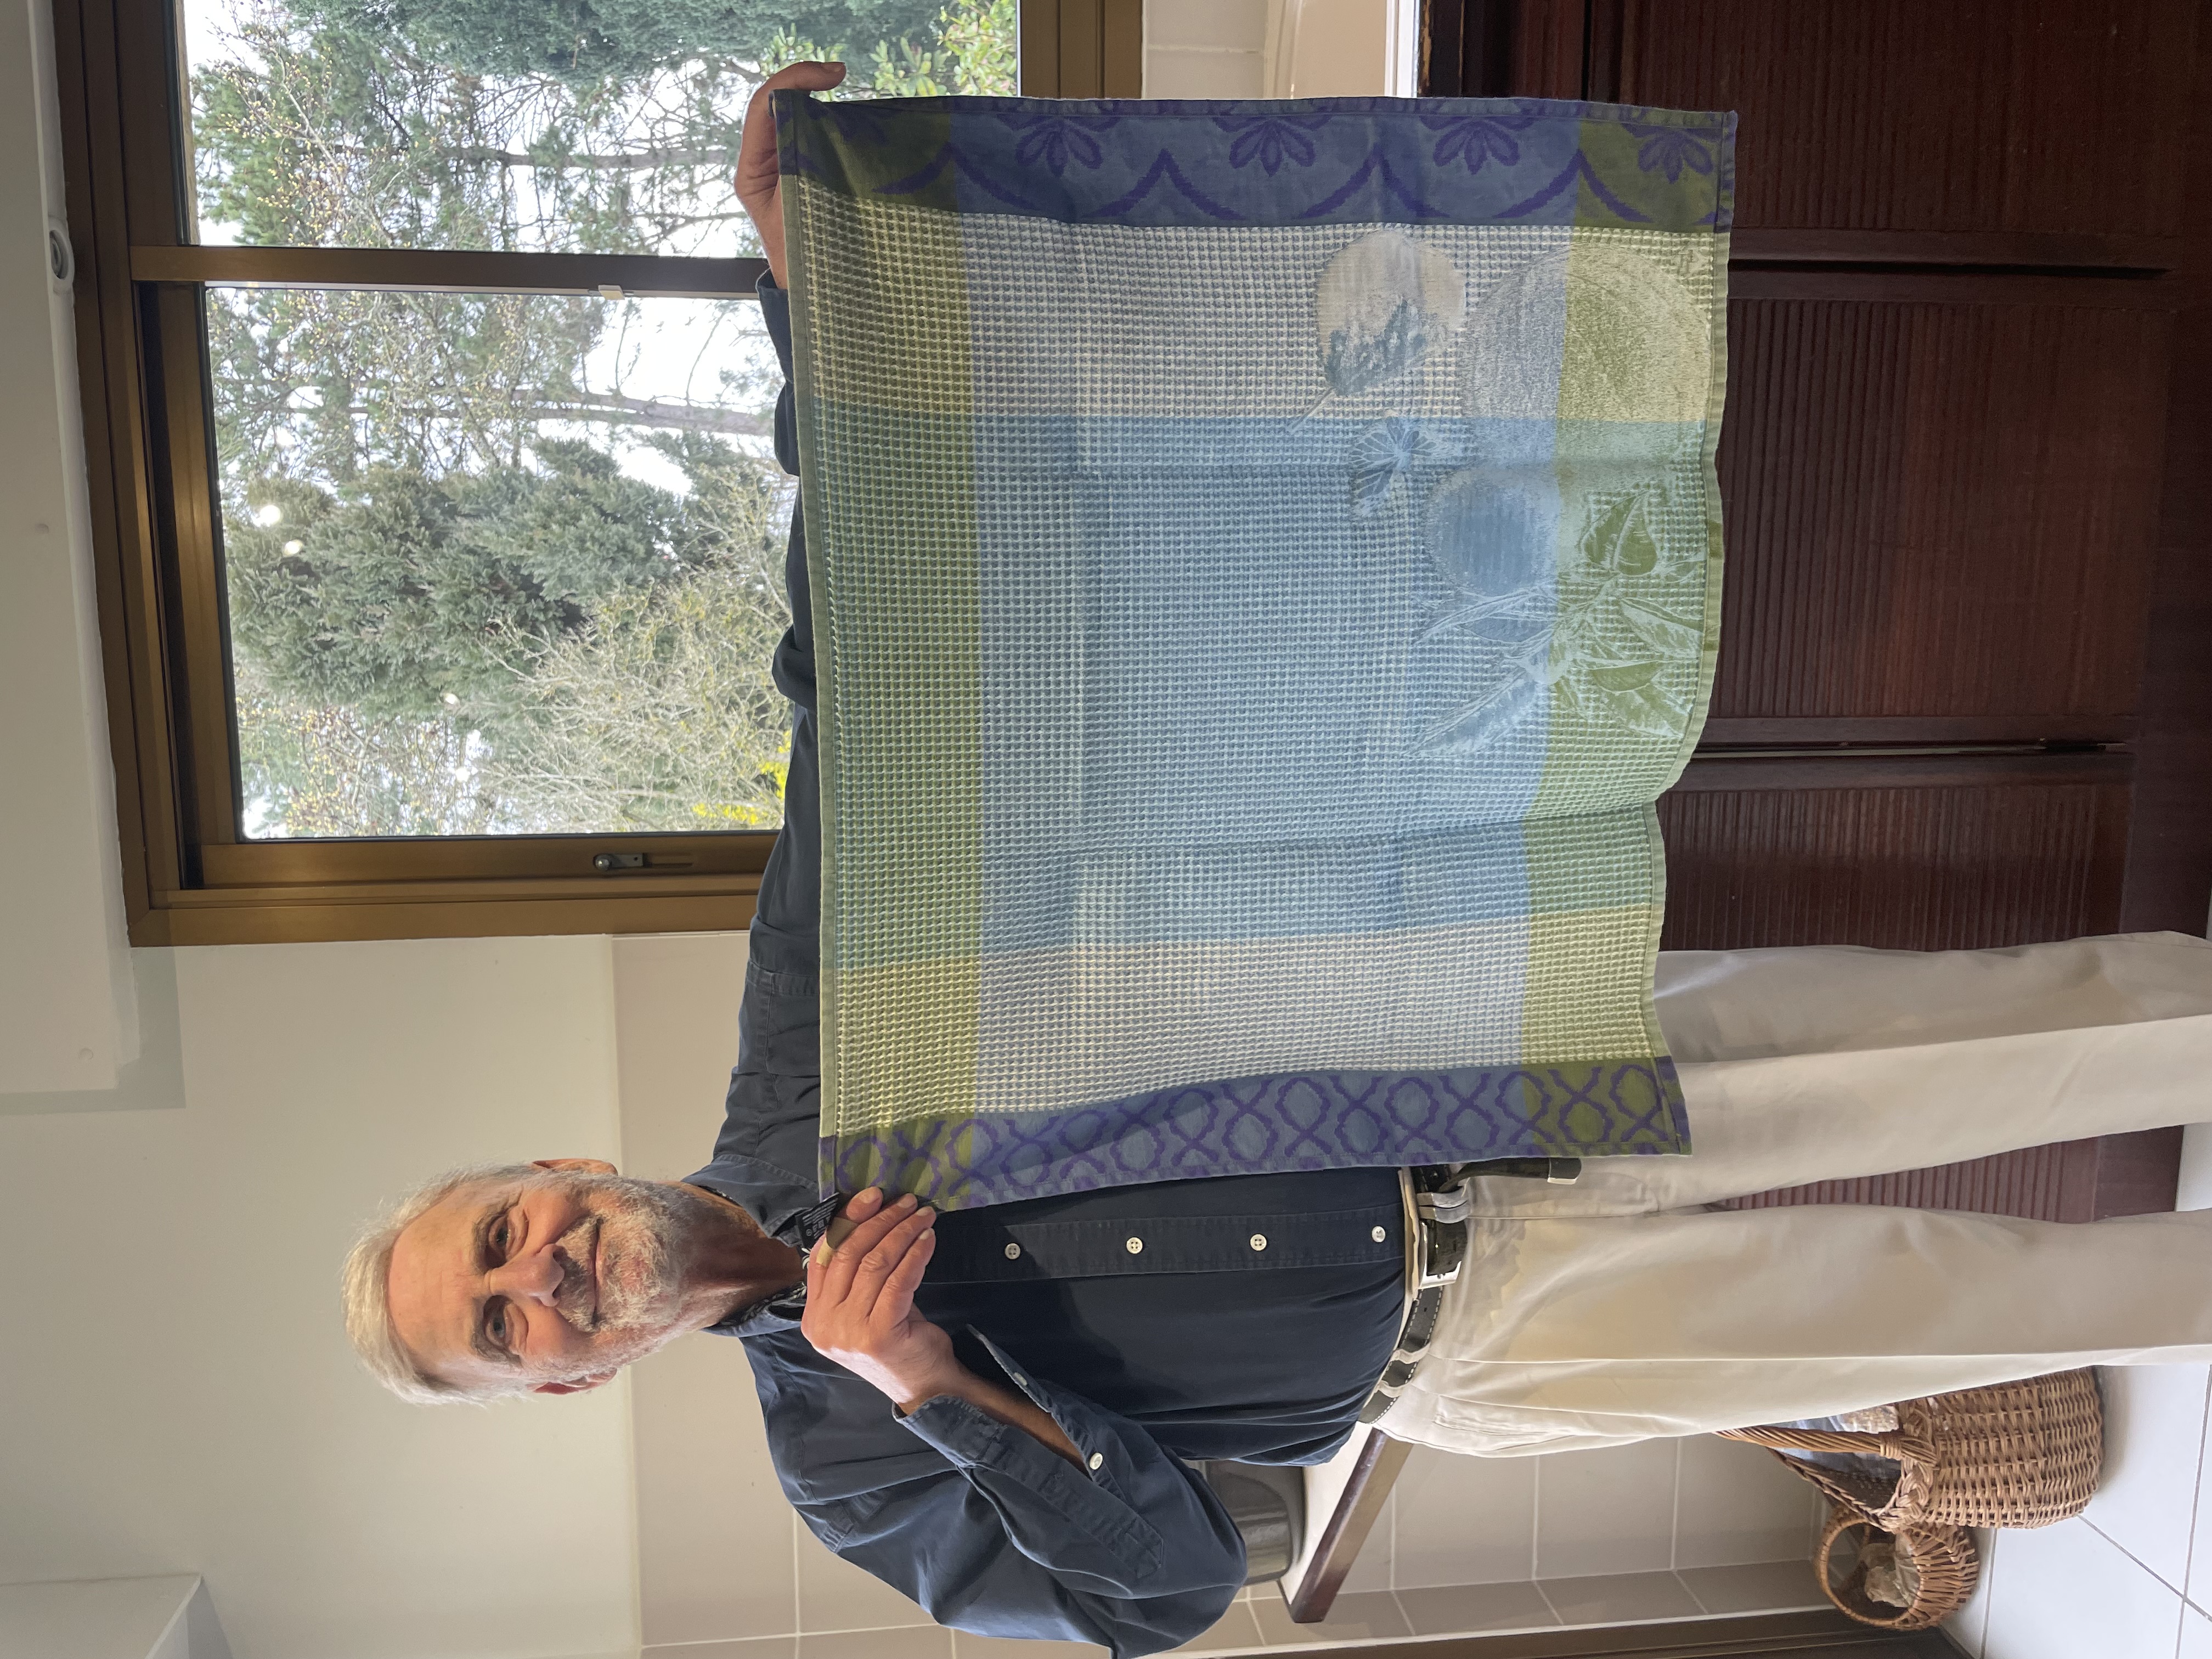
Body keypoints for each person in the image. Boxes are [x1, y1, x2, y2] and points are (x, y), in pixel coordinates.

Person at [341, 60, 2212, 1656]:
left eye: (504, 1240)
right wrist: (923, 1374)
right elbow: (1169, 1588)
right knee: (1962, 1304)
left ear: (559, 1169)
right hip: (1478, 1347)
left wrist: (817, 306)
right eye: (508, 1330)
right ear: (565, 1385)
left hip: (1474, 1060)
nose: (546, 1281)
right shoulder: (848, 1471)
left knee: (2004, 1022)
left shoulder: (806, 1055)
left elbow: (877, 684)